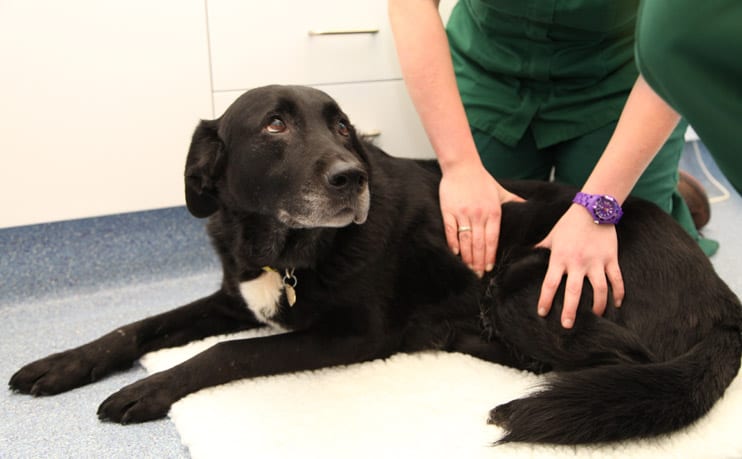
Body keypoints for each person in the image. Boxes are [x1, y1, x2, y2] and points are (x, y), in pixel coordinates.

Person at [388, 0, 717, 329]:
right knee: (474, 261)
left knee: (632, 270)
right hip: (491, 70)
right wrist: (461, 167)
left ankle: (662, 188)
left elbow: (682, 41)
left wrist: (598, 206)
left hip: (620, 76)